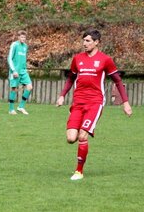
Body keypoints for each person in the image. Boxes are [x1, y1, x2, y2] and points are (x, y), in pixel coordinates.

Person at [56, 29, 132, 181]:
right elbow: (71, 78)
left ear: (97, 42)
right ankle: (80, 154)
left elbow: (117, 80)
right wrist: (62, 96)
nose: (85, 43)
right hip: (77, 102)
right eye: (84, 40)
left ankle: (79, 171)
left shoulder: (105, 60)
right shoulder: (77, 59)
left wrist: (125, 103)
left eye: (88, 41)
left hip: (95, 103)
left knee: (83, 135)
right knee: (71, 138)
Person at [7, 30, 33, 115]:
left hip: (23, 71)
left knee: (29, 87)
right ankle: (11, 109)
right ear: (18, 37)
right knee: (14, 89)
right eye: (22, 37)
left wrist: (25, 68)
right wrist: (13, 70)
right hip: (15, 71)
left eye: (24, 37)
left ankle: (21, 107)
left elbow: (23, 59)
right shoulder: (14, 45)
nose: (23, 39)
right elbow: (9, 58)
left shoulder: (25, 46)